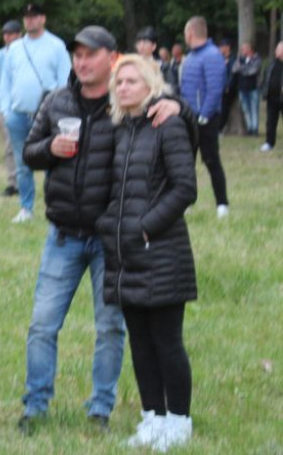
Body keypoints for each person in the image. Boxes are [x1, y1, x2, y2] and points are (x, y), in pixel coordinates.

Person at [18, 26, 185, 434]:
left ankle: (100, 409)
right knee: (42, 324)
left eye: (91, 54)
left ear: (111, 58)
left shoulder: (125, 106)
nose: (82, 61)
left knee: (111, 327)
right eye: (77, 54)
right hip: (63, 234)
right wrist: (49, 150)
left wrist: (177, 107)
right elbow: (29, 152)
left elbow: (171, 120)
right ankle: (35, 406)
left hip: (111, 239)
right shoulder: (56, 100)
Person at [96, 55, 198, 450]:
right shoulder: (122, 130)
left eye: (132, 81)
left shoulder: (167, 124)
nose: (123, 87)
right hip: (124, 253)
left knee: (167, 340)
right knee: (139, 341)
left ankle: (179, 421)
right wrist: (113, 227)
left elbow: (185, 188)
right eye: (119, 82)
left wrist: (145, 227)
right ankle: (152, 416)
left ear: (151, 84)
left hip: (161, 250)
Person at [0, 3, 72, 223]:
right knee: (22, 163)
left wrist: (61, 110)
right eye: (26, 17)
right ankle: (26, 208)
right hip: (18, 114)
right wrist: (5, 110)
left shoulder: (56, 46)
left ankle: (54, 206)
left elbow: (64, 80)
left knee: (52, 160)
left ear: (43, 19)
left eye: (34, 16)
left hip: (47, 114)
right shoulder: (15, 48)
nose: (29, 20)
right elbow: (5, 82)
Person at [179, 16, 229, 218]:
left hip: (205, 119)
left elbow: (216, 89)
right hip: (188, 118)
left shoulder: (212, 55)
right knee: (185, 163)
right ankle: (186, 203)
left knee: (211, 160)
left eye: (185, 33)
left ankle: (222, 204)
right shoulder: (190, 57)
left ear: (190, 33)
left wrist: (205, 115)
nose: (184, 37)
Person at [0, 20, 23, 197]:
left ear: (19, 34)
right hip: (5, 107)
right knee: (9, 146)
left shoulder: (26, 53)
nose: (7, 37)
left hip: (24, 105)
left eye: (11, 34)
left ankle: (25, 180)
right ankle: (13, 182)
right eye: (5, 34)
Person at [233, 42, 262, 136]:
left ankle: (255, 129)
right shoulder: (240, 59)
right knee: (246, 109)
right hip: (242, 88)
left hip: (253, 88)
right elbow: (234, 69)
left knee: (254, 109)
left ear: (250, 49)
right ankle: (249, 128)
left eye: (244, 49)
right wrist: (244, 67)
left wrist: (241, 68)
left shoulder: (257, 59)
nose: (242, 51)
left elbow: (252, 71)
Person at [260, 40, 283, 152]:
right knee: (270, 122)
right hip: (272, 98)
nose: (277, 51)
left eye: (280, 49)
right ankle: (269, 143)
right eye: (277, 49)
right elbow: (266, 78)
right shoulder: (272, 64)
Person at [217, 39, 237, 134]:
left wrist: (228, 86)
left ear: (228, 47)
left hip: (228, 89)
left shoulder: (232, 59)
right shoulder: (220, 58)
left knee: (224, 109)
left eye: (222, 46)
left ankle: (220, 128)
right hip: (220, 88)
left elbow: (232, 75)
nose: (220, 48)